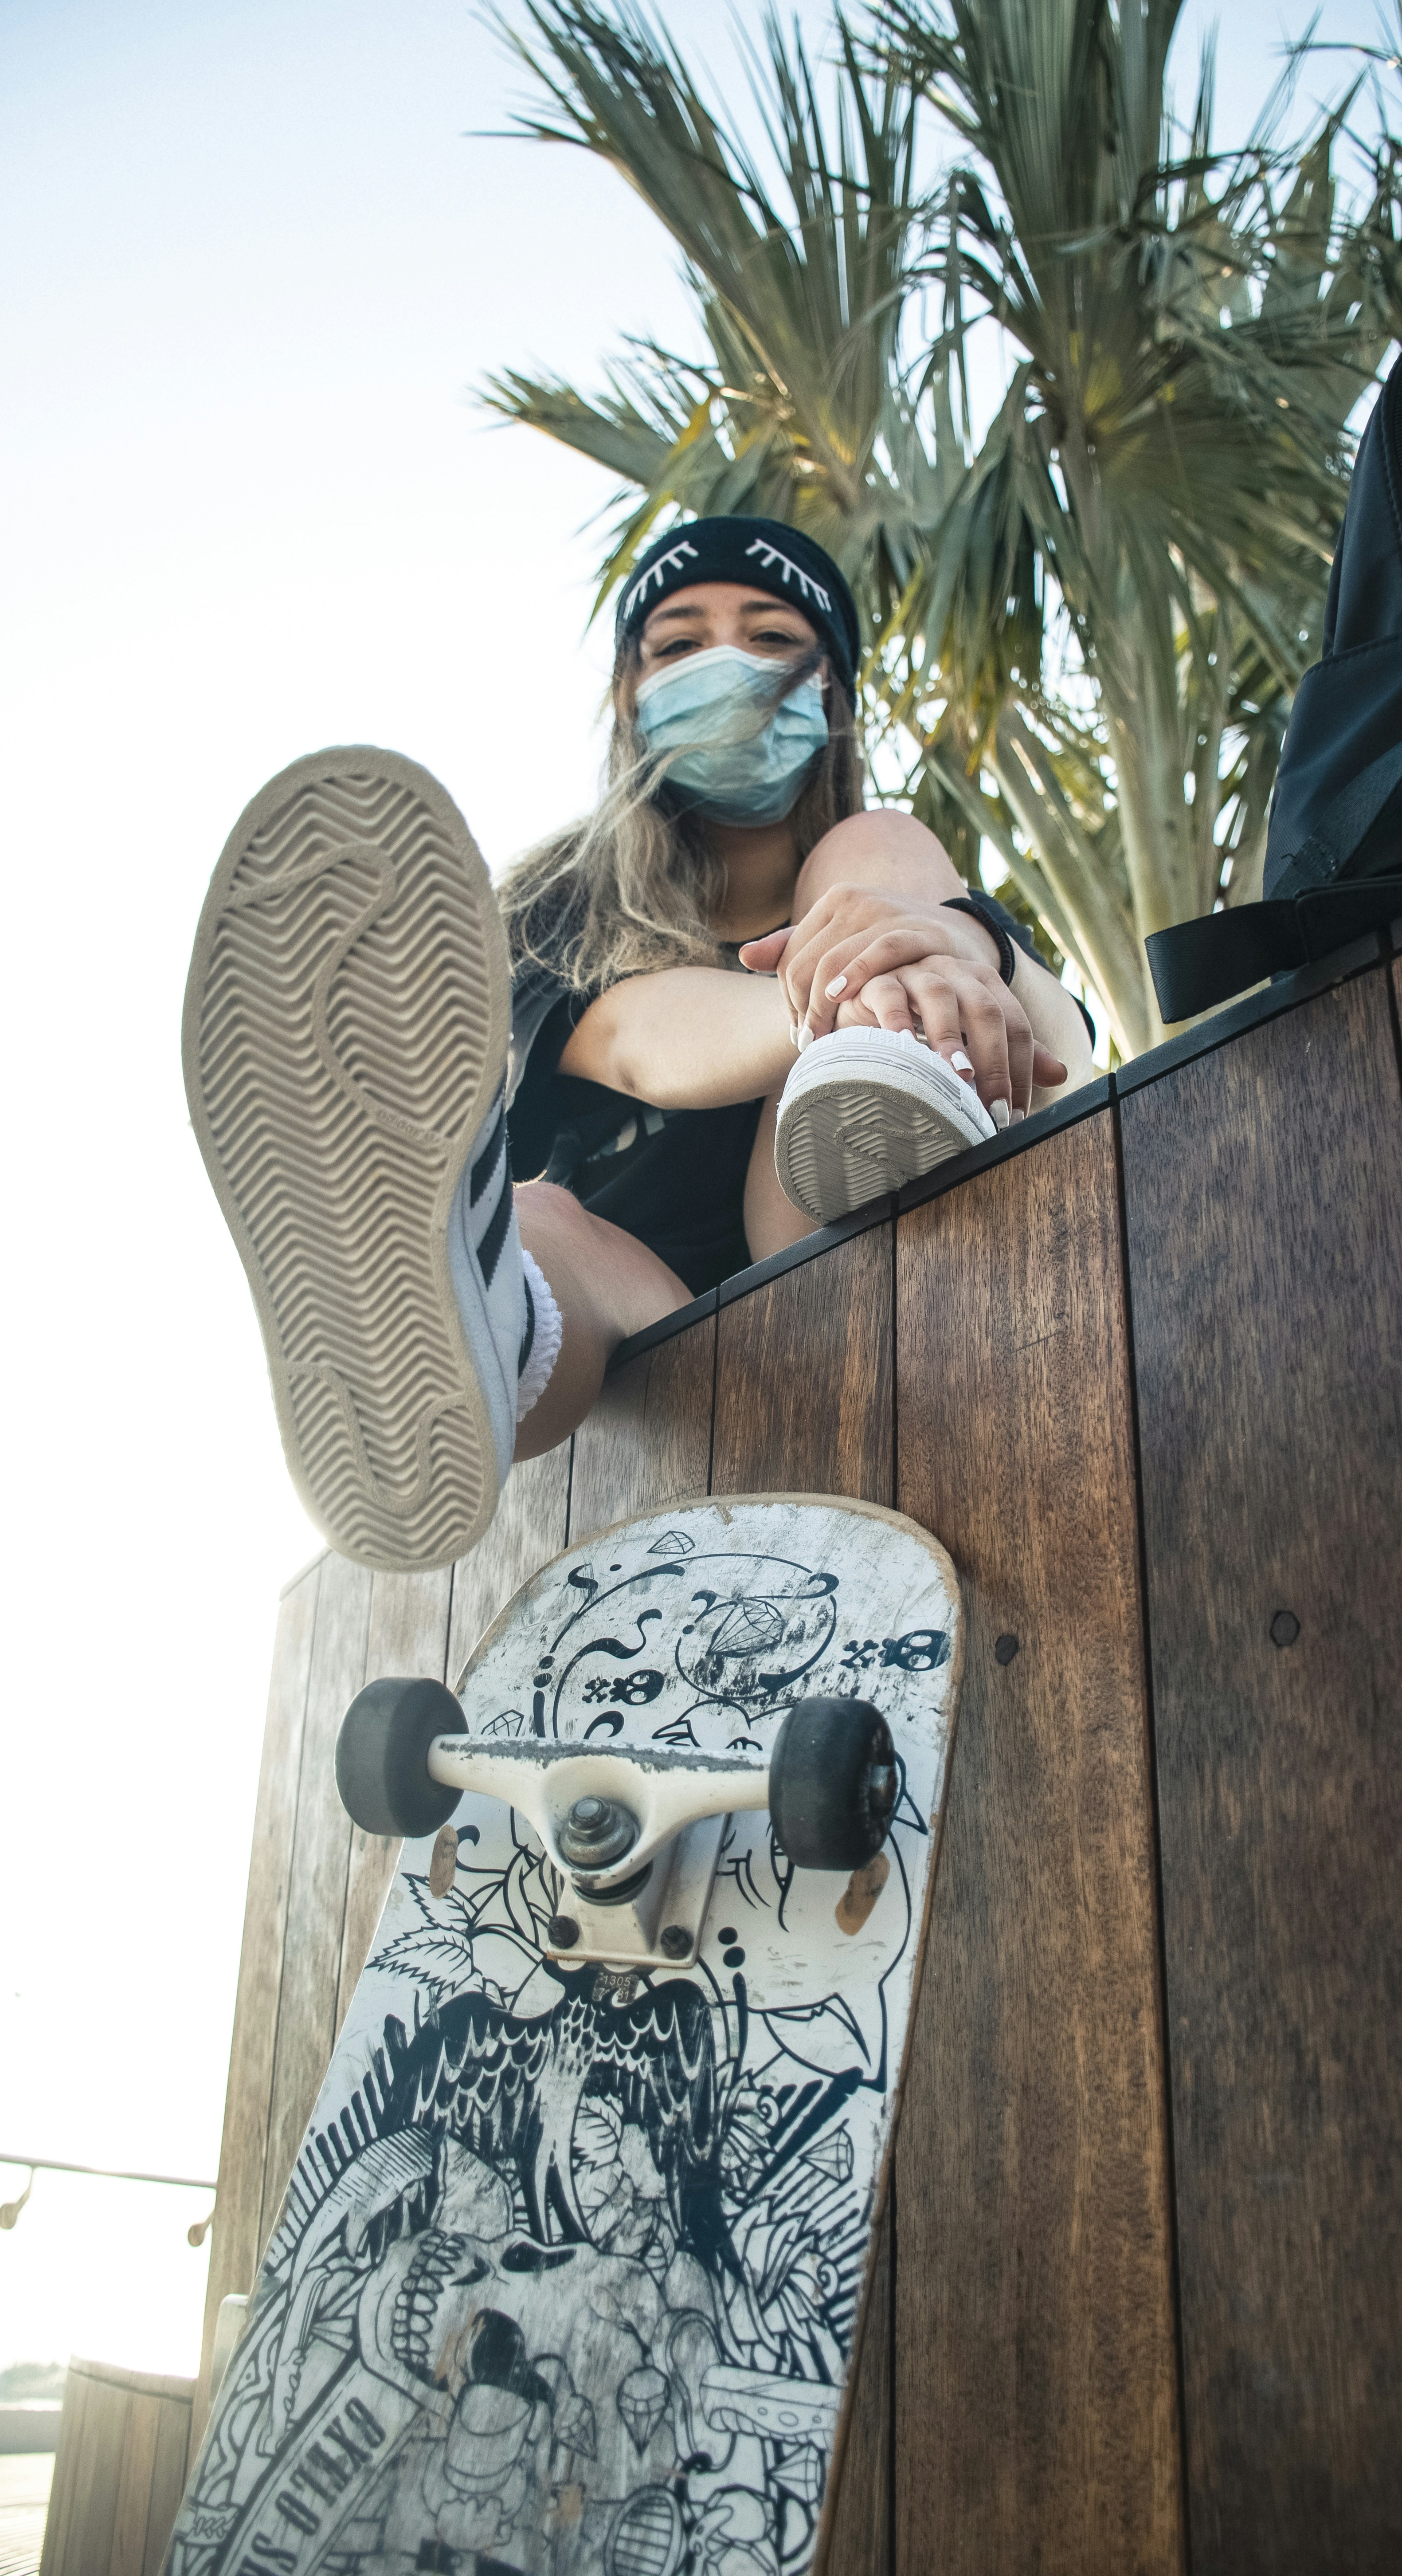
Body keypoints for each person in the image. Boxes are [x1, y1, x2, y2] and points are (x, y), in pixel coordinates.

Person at [184, 517, 1093, 1575]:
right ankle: (464, 1347)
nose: (726, 665)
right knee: (546, 1222)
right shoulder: (551, 907)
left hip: (854, 1258)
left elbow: (1064, 1046)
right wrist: (834, 991)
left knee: (874, 849)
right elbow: (628, 1041)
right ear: (629, 693)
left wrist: (963, 940)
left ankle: (886, 1073)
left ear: (833, 694)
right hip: (658, 1361)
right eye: (679, 645)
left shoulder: (887, 856)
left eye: (767, 636)